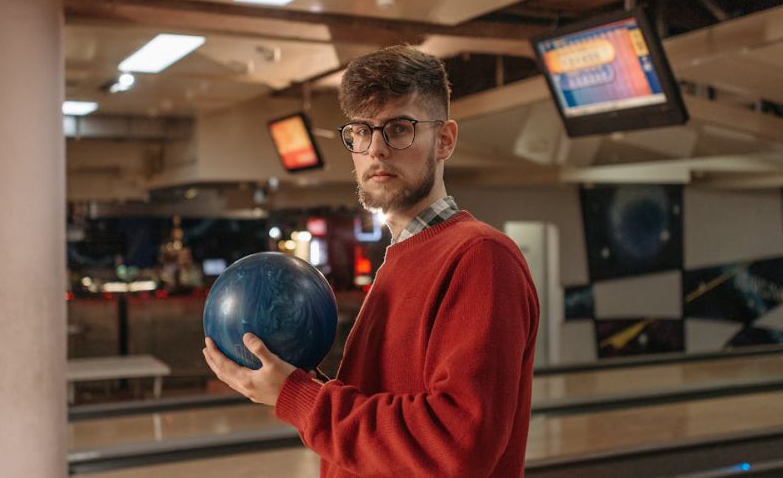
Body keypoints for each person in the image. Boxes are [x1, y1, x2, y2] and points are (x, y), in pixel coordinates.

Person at [203, 45, 540, 477]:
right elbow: (384, 413)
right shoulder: (400, 259)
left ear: (445, 140)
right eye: (362, 131)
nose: (376, 149)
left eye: (399, 129)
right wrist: (295, 385)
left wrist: (298, 395)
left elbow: (457, 448)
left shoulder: (480, 257)